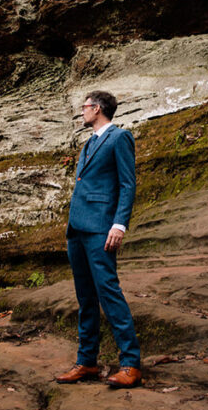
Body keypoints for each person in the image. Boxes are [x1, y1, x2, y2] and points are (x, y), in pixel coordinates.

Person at [55, 90, 143, 389]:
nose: (83, 111)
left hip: (102, 228)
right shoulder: (89, 143)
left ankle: (130, 364)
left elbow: (127, 184)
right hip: (77, 229)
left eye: (85, 107)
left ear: (98, 108)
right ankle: (87, 362)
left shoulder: (119, 138)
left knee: (108, 292)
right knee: (85, 297)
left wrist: (119, 224)